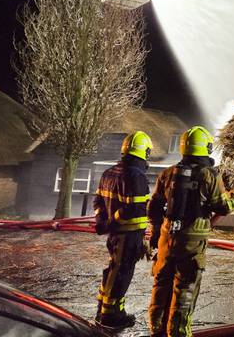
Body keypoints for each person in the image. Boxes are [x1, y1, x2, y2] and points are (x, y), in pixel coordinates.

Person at [147, 126, 234, 337]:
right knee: (185, 287)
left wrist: (156, 232)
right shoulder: (209, 175)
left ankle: (156, 329)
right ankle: (179, 332)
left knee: (161, 282)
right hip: (191, 240)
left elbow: (153, 207)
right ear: (206, 148)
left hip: (167, 237)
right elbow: (223, 207)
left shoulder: (168, 173)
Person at [93, 131, 154, 329]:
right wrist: (112, 222)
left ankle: (103, 307)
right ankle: (111, 315)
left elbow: (98, 201)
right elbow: (133, 208)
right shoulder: (136, 176)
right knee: (121, 273)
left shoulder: (108, 173)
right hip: (128, 235)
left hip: (114, 235)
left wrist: (102, 221)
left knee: (113, 269)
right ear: (143, 151)